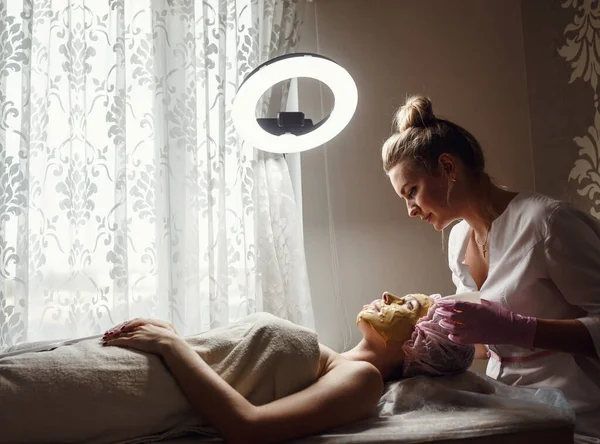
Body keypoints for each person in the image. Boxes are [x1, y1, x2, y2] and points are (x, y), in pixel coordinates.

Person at [380, 94, 600, 440]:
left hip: (579, 414)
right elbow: (486, 345)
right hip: (509, 406)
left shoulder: (547, 224)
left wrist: (519, 328)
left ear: (448, 168)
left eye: (412, 191)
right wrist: (429, 342)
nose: (410, 209)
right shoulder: (458, 241)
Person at [0, 292, 474, 444]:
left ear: (418, 343)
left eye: (408, 304)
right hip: (127, 364)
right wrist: (173, 337)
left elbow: (247, 427)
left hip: (137, 392)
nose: (389, 295)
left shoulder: (363, 379)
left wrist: (172, 346)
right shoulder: (331, 357)